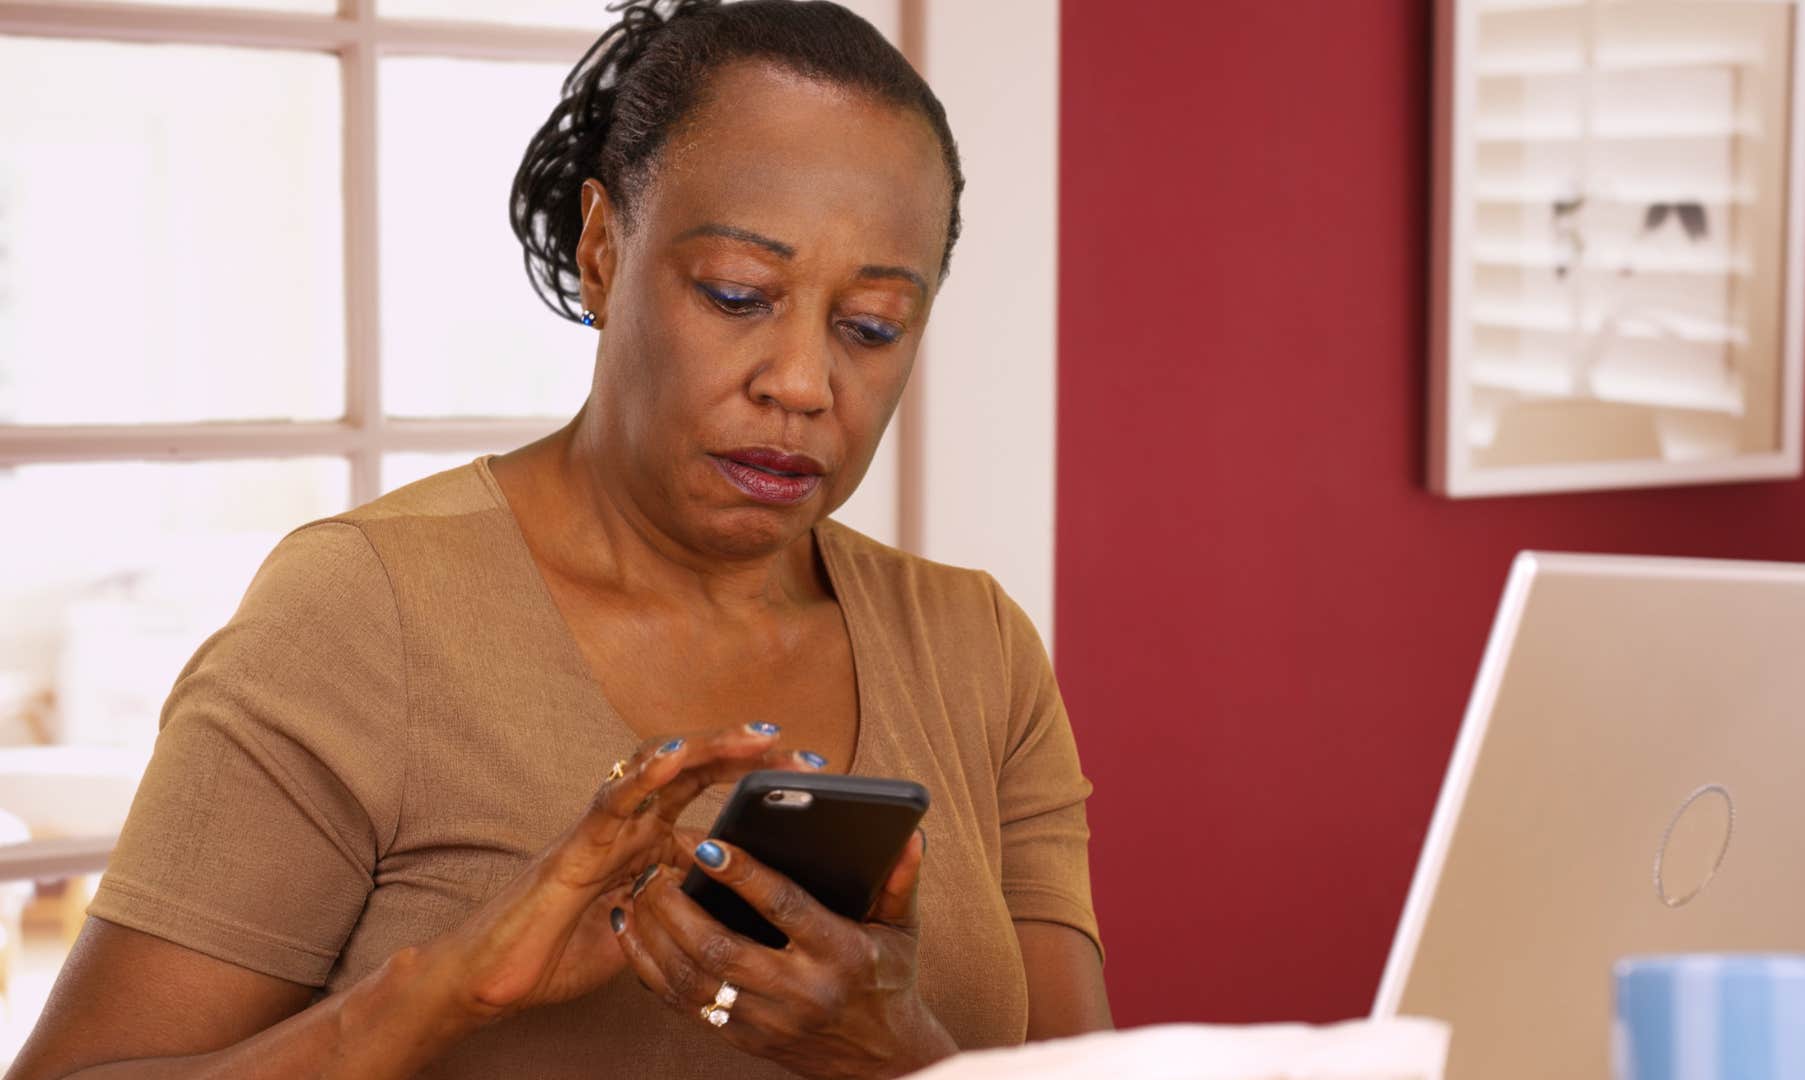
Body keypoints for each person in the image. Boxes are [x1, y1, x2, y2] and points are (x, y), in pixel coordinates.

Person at [5, 2, 1109, 1077]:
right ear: (600, 251)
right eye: (737, 294)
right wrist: (447, 989)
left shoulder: (977, 649)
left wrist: (895, 1057)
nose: (805, 384)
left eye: (872, 326)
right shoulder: (362, 611)